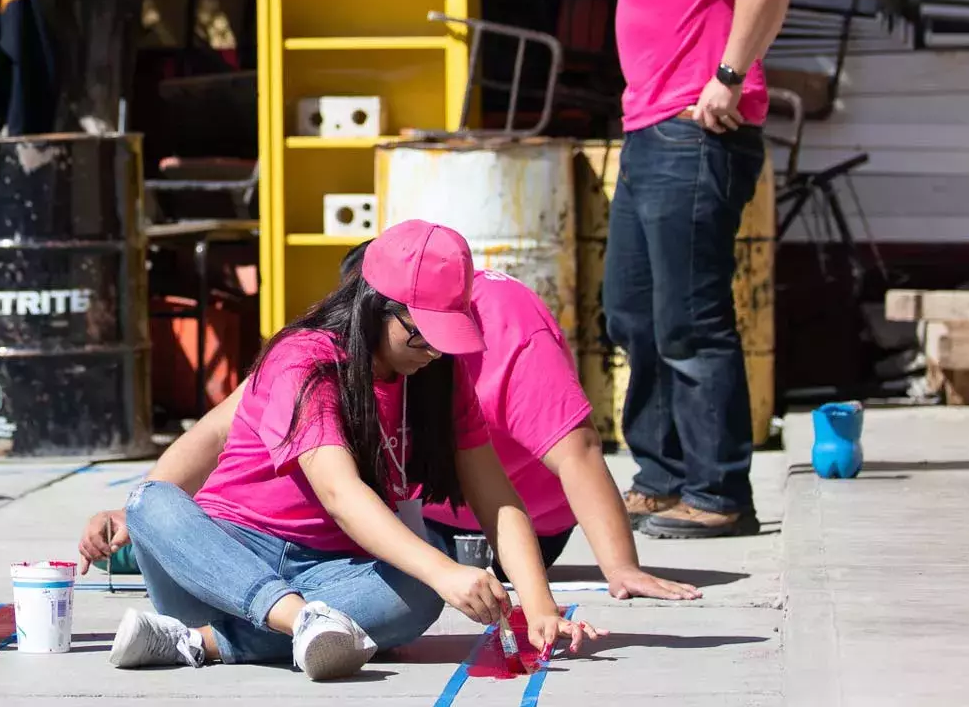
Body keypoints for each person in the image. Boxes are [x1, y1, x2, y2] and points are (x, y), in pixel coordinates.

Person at [94, 221, 597, 682]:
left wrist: (538, 607)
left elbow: (498, 499)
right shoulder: (304, 359)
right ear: (375, 305)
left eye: (447, 335)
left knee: (421, 589)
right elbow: (339, 492)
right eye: (422, 335)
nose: (436, 352)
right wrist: (440, 574)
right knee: (150, 503)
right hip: (226, 560)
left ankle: (202, 643)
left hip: (330, 572)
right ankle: (301, 622)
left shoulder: (440, 376)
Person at [551, 0, 794, 539]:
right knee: (632, 313)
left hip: (693, 137)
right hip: (654, 135)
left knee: (689, 321)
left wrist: (728, 76)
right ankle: (660, 477)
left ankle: (719, 493)